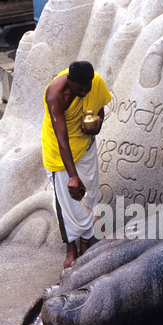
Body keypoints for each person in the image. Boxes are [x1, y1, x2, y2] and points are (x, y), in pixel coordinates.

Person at [42, 61, 112, 268]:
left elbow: (100, 110)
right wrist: (72, 175)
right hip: (60, 151)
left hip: (85, 146)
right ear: (69, 81)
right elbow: (61, 139)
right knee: (68, 202)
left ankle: (85, 244)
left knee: (88, 194)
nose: (83, 92)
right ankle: (71, 248)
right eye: (78, 87)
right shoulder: (55, 95)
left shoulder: (95, 83)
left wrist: (97, 125)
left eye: (86, 87)